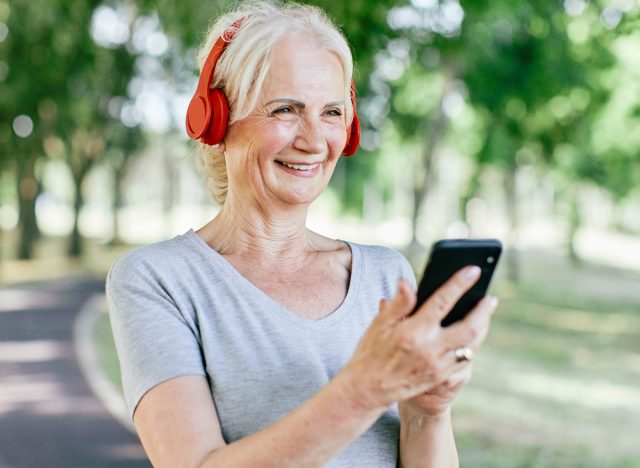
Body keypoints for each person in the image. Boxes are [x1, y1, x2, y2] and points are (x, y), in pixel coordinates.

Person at [106, 1, 499, 467]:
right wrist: (367, 387)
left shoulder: (386, 276)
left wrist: (427, 412)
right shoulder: (159, 280)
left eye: (332, 112)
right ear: (216, 117)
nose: (314, 140)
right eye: (286, 109)